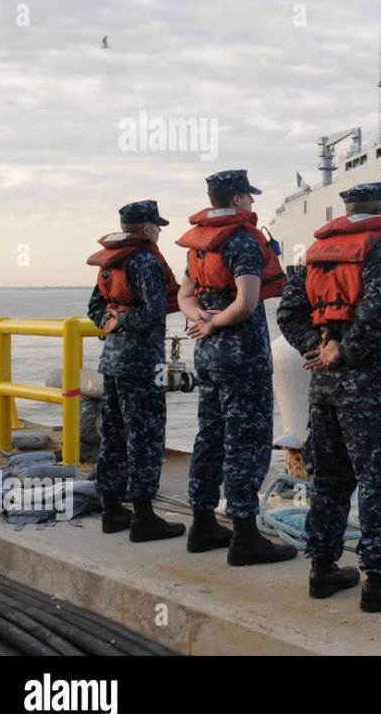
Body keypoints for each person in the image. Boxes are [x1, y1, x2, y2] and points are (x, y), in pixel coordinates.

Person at [276, 182, 381, 611]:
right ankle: (380, 581)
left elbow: (287, 312)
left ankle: (323, 570)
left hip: (324, 391)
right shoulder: (378, 252)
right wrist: (344, 352)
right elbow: (379, 309)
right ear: (380, 208)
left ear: (348, 211)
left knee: (330, 481)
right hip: (371, 390)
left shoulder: (314, 256)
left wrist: (317, 347)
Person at [176, 170, 295, 565]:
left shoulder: (200, 243)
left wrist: (199, 319)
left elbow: (184, 294)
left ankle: (202, 524)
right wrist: (215, 321)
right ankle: (245, 536)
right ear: (240, 199)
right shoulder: (242, 240)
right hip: (241, 356)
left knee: (210, 436)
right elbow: (246, 303)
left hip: (207, 356)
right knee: (247, 441)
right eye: (251, 197)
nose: (254, 205)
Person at [86, 200, 185, 542]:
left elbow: (94, 307)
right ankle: (144, 517)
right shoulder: (144, 260)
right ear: (146, 229)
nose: (159, 232)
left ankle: (112, 509)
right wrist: (125, 321)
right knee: (146, 435)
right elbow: (156, 313)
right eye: (157, 226)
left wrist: (111, 324)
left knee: (114, 433)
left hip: (111, 361)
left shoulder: (111, 262)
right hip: (142, 363)